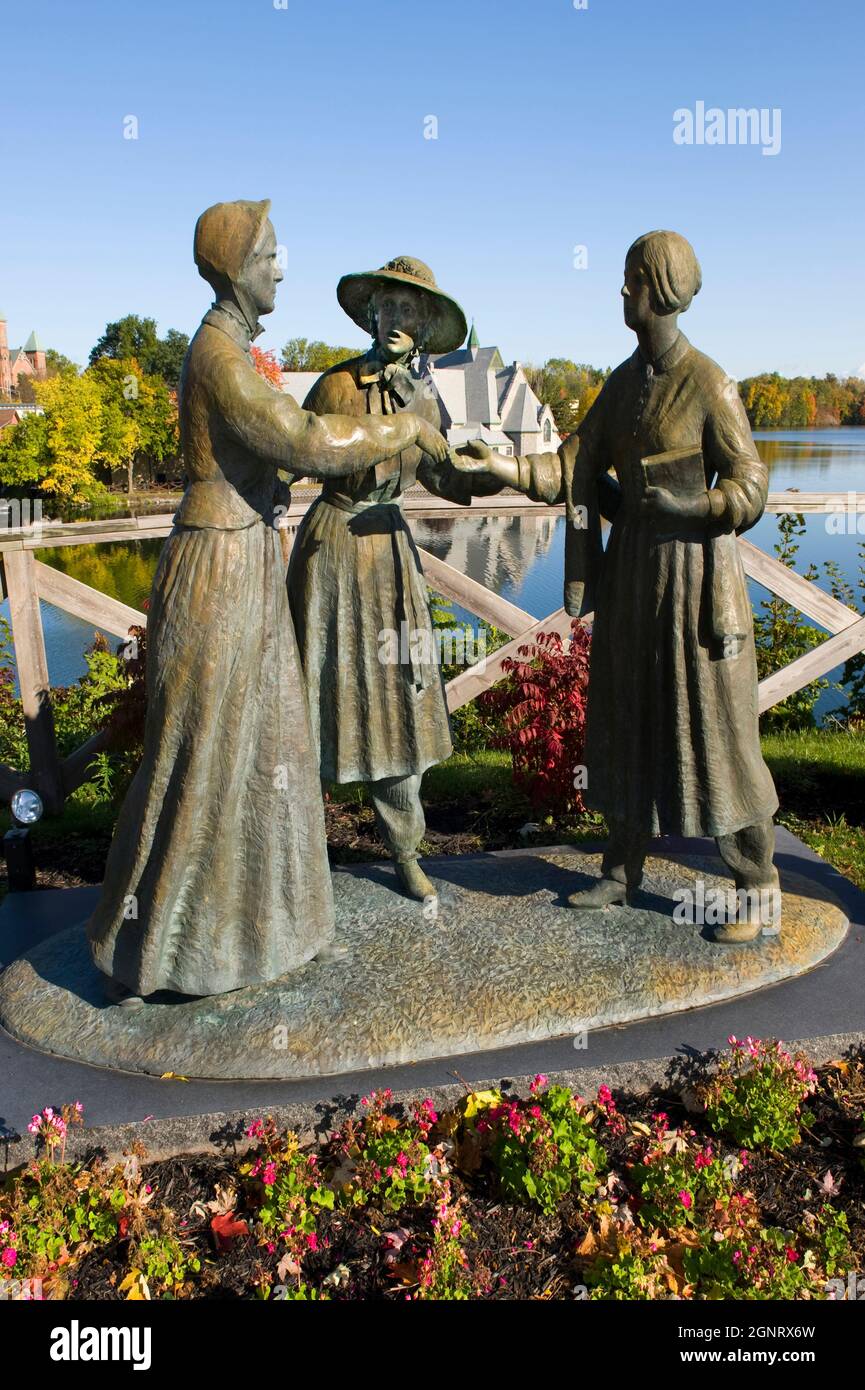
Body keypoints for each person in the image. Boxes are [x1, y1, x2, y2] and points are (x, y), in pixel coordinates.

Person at [87, 203, 449, 998]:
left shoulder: (233, 353)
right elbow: (309, 441)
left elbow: (278, 458)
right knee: (211, 747)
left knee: (264, 746)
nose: (282, 269)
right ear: (237, 265)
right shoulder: (221, 357)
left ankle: (259, 931)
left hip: (245, 553)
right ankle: (175, 947)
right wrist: (404, 429)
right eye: (272, 256)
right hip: (220, 565)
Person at [453, 230, 780, 943]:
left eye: (630, 279)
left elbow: (751, 486)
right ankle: (621, 866)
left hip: (694, 586)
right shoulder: (623, 382)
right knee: (625, 720)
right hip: (633, 577)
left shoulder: (708, 383)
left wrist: (695, 507)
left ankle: (756, 884)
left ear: (658, 288)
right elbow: (572, 466)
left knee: (714, 733)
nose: (621, 292)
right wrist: (506, 466)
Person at [288, 256, 500, 900]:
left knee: (399, 707)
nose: (397, 320)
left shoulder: (424, 397)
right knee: (307, 699)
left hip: (390, 558)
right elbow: (301, 455)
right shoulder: (334, 388)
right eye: (388, 306)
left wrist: (494, 471)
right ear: (371, 313)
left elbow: (444, 477)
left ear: (429, 325)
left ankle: (405, 850)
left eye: (411, 310)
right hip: (332, 553)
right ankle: (292, 853)